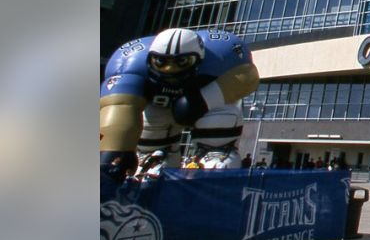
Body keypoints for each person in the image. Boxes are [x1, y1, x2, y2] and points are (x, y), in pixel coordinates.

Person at [100, 28, 259, 176]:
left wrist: (200, 101)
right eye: (161, 62)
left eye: (181, 62)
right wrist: (116, 149)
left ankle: (216, 151)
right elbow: (120, 106)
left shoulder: (221, 55)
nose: (170, 69)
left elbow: (247, 77)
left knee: (219, 119)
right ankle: (154, 155)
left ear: (200, 57)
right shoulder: (131, 62)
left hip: (207, 105)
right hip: (160, 105)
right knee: (151, 129)